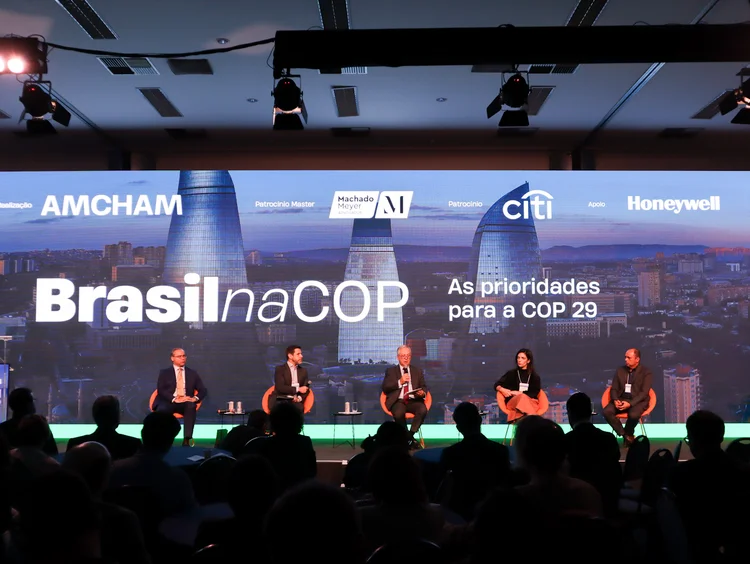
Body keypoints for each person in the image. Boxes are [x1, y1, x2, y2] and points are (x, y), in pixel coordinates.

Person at [153, 347, 207, 446]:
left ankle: (187, 439)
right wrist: (174, 399)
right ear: (172, 358)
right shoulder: (164, 372)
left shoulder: (192, 373)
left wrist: (195, 398)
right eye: (179, 356)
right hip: (169, 401)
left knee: (191, 406)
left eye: (184, 356)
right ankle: (162, 439)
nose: (183, 358)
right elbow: (161, 390)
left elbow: (203, 390)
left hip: (185, 402)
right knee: (162, 410)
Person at [602, 348, 652, 446]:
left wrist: (630, 404)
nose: (625, 360)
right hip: (621, 399)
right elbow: (614, 389)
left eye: (629, 358)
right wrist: (615, 400)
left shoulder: (646, 372)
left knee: (634, 415)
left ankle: (628, 433)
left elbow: (644, 393)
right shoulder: (620, 370)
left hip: (638, 401)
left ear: (637, 359)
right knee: (606, 412)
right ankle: (625, 435)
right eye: (625, 357)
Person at [382, 345, 428, 448]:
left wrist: (422, 393)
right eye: (403, 356)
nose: (406, 358)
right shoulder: (391, 371)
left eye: (408, 356)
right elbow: (385, 387)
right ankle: (409, 440)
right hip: (398, 401)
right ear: (398, 357)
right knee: (399, 413)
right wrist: (400, 382)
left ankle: (409, 437)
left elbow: (424, 386)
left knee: (422, 409)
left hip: (413, 400)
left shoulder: (417, 371)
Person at [494, 348, 542, 422]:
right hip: (513, 402)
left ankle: (522, 422)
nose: (519, 360)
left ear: (528, 361)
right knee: (522, 398)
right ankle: (535, 422)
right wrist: (502, 389)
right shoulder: (511, 373)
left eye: (523, 358)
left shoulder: (534, 376)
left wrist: (519, 393)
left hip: (530, 401)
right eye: (518, 358)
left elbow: (535, 392)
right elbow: (497, 384)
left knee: (523, 399)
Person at [273, 344, 310, 412]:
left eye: (301, 354)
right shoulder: (280, 369)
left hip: (296, 401)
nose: (301, 356)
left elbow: (306, 388)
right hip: (282, 400)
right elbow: (280, 387)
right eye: (298, 354)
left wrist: (299, 398)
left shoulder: (303, 371)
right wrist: (298, 389)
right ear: (290, 356)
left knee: (298, 409)